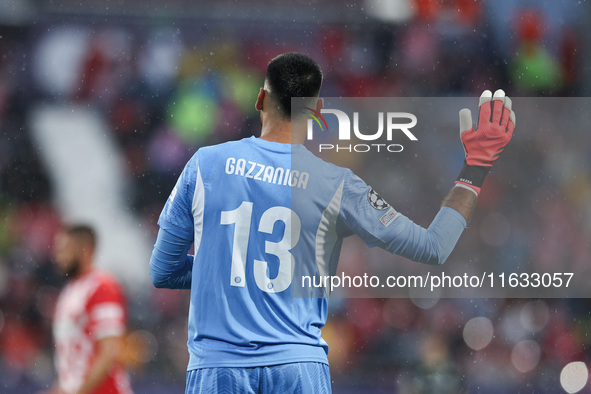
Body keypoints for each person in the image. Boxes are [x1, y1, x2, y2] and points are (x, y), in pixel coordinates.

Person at [149, 52, 515, 393]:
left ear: (260, 99)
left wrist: (231, 272)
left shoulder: (205, 165)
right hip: (297, 369)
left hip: (218, 368)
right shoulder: (337, 185)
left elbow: (163, 271)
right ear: (317, 110)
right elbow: (433, 247)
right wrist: (476, 166)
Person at [46, 224, 133, 394]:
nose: (58, 256)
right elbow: (72, 367)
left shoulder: (102, 287)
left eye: (65, 249)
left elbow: (109, 352)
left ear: (85, 250)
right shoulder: (68, 291)